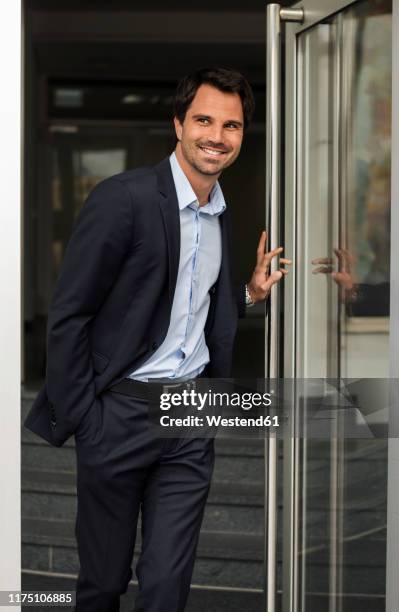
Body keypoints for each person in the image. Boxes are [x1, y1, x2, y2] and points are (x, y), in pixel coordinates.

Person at [24, 66, 291, 612]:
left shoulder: (221, 215)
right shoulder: (122, 199)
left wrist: (248, 295)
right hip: (117, 414)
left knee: (167, 587)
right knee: (103, 583)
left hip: (190, 414)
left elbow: (187, 307)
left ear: (244, 134)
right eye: (204, 120)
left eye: (232, 125)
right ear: (178, 123)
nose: (217, 136)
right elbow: (70, 313)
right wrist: (88, 419)